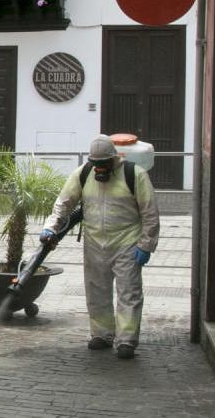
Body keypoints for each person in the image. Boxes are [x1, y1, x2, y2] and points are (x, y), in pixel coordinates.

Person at [41, 135, 159, 360]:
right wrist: (50, 227)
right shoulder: (83, 174)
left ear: (115, 159)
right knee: (97, 291)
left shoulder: (135, 175)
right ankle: (102, 335)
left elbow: (150, 214)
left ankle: (126, 340)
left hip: (128, 243)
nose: (100, 169)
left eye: (104, 164)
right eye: (96, 165)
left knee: (129, 293)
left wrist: (146, 245)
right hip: (95, 244)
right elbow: (63, 204)